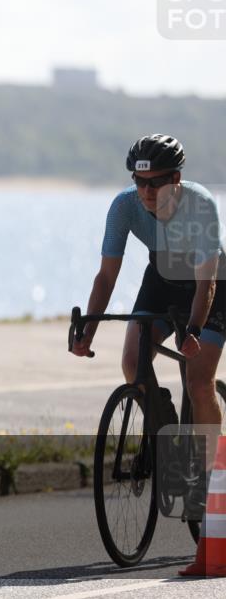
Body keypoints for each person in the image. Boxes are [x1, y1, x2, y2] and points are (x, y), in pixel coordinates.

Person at [71, 134, 224, 513]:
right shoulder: (124, 207)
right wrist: (86, 331)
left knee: (199, 379)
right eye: (139, 182)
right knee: (131, 361)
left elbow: (206, 284)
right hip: (162, 280)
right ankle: (165, 430)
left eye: (154, 182)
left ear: (175, 179)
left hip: (211, 286)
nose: (145, 191)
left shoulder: (200, 204)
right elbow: (106, 277)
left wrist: (192, 330)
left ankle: (210, 478)